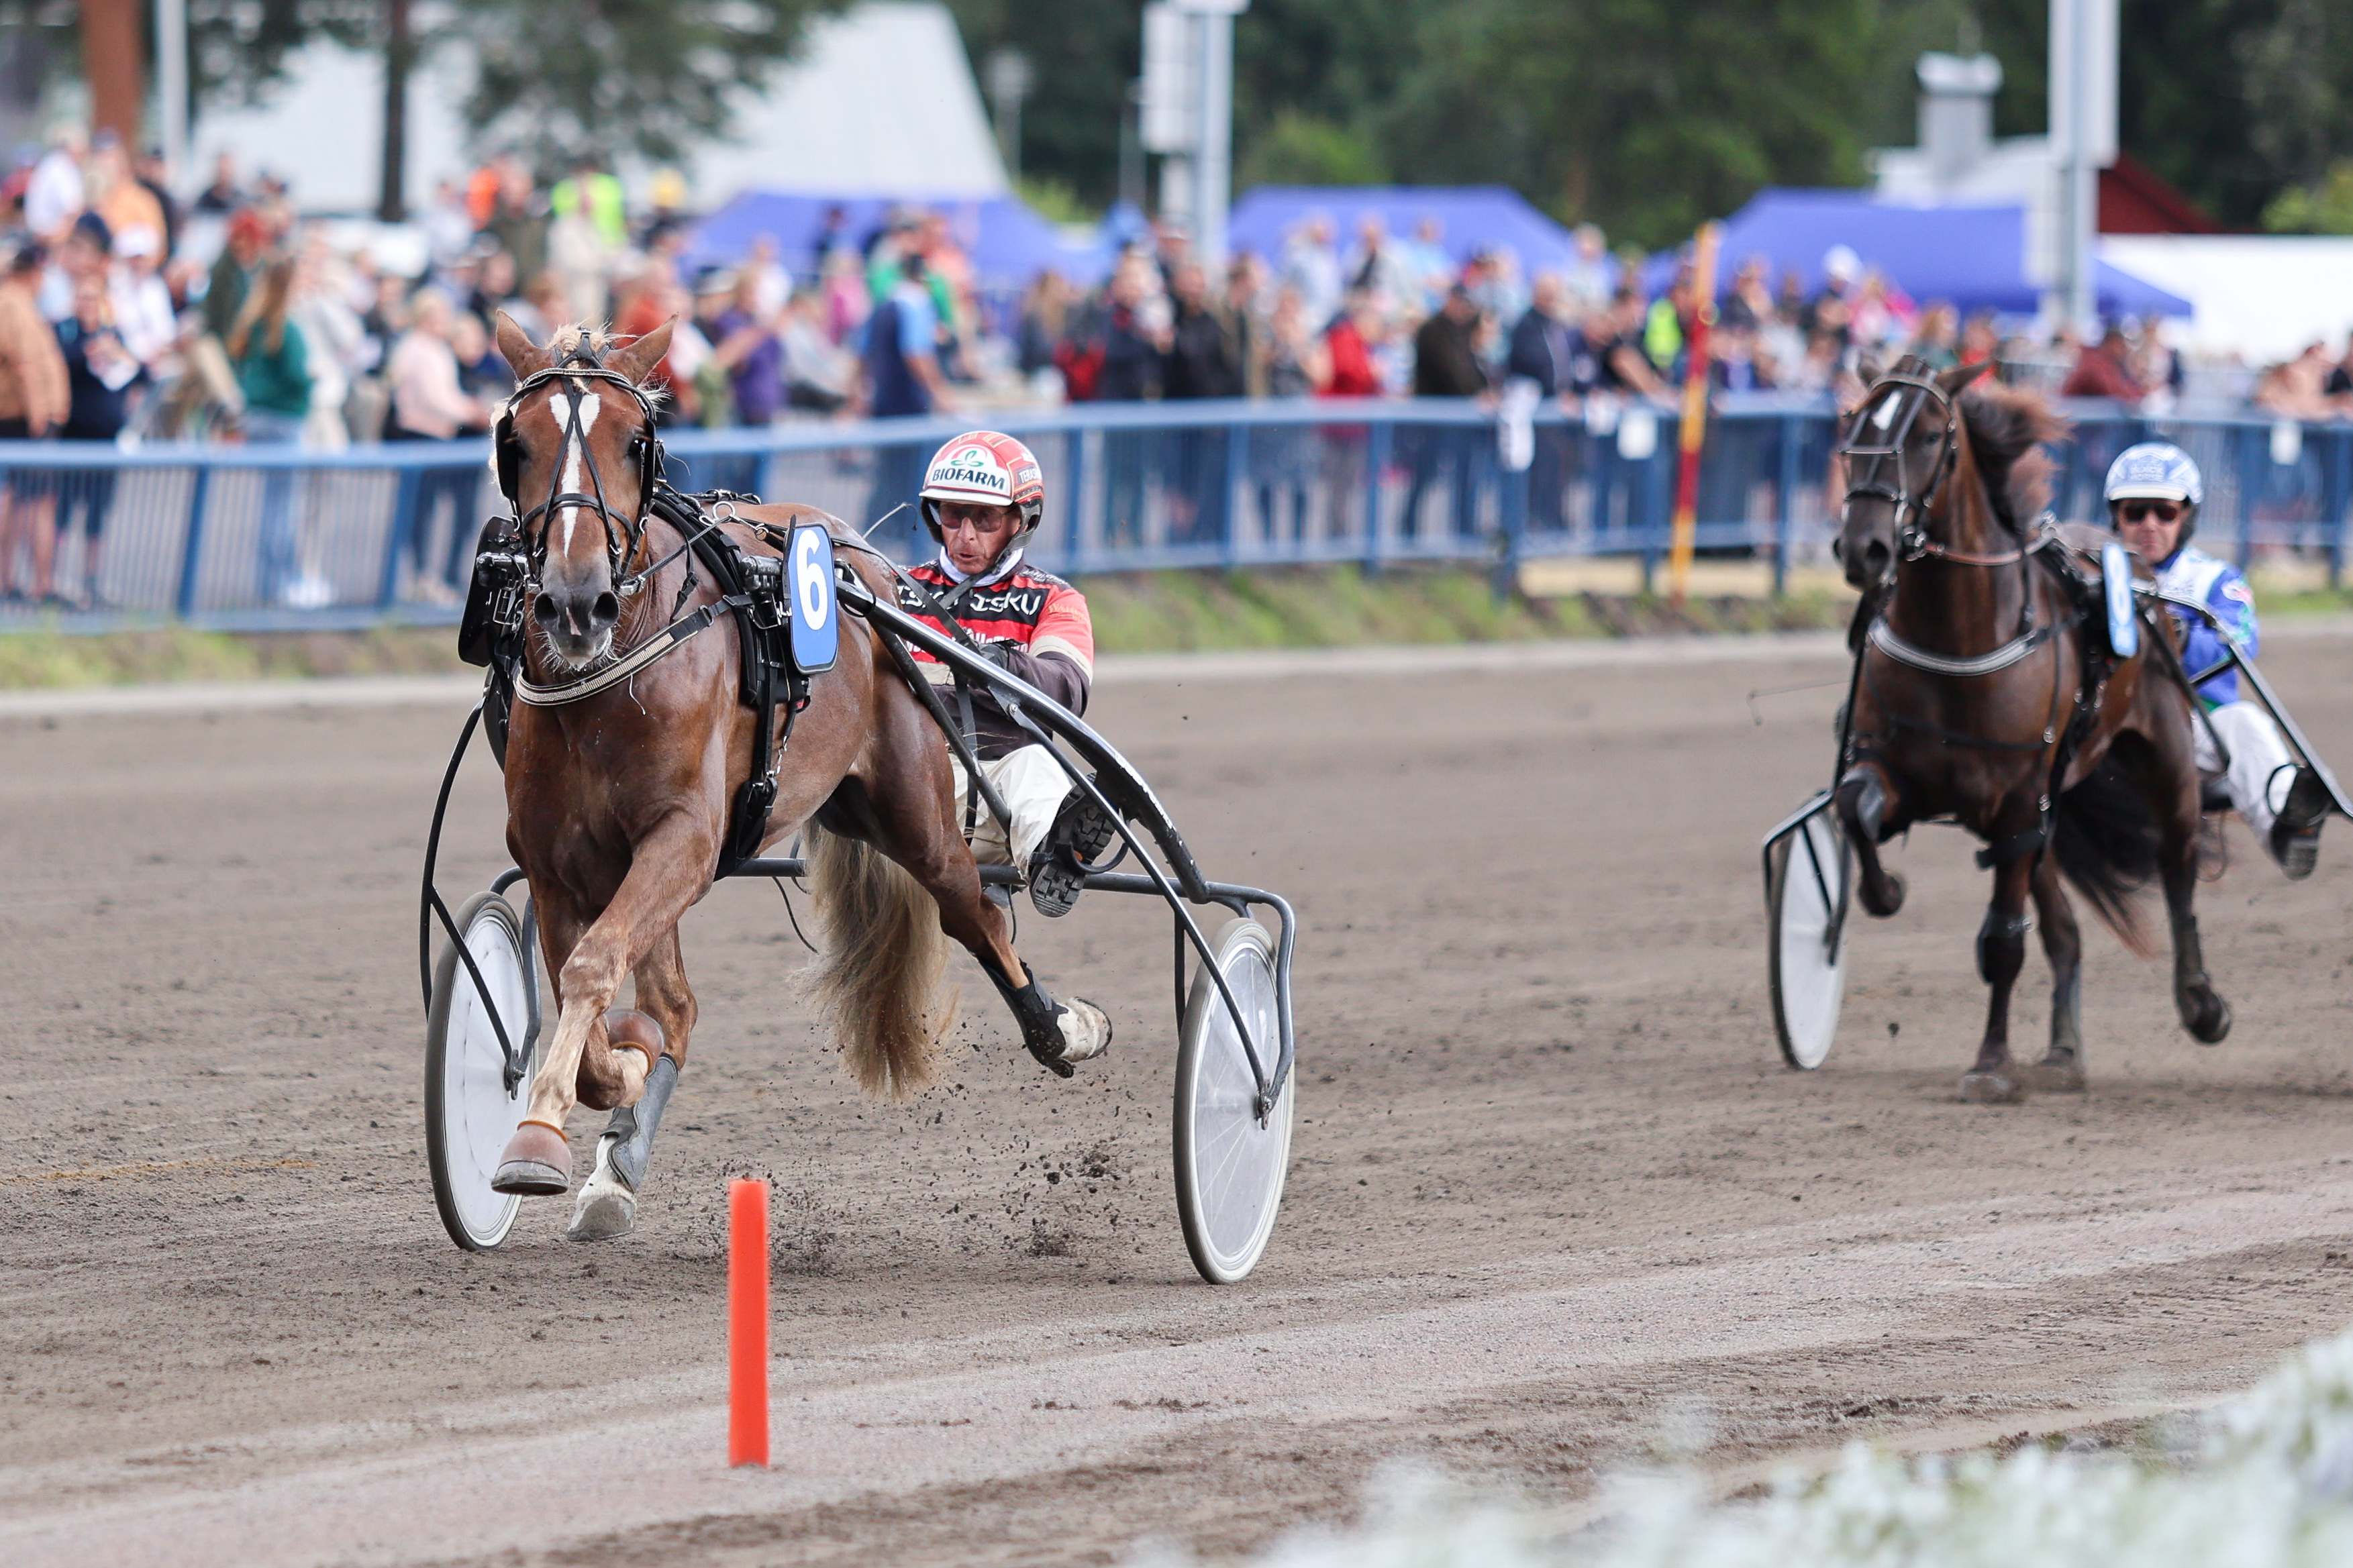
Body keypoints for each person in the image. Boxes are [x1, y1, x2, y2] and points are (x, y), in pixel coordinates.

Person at [894, 431, 1114, 933]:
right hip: (906, 779)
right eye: (953, 515)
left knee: (1038, 763)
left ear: (1021, 520)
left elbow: (1065, 690)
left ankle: (1054, 851)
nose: (966, 535)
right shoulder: (894, 590)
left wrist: (1000, 665)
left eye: (985, 519)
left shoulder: (1054, 601)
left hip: (997, 786)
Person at [2106, 442, 2329, 878]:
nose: (2149, 525)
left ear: (2187, 515)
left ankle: (2288, 825)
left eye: (2164, 513)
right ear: (2115, 516)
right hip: (2108, 732)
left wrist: (2173, 633)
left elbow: (2240, 641)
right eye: (2135, 512)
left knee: (2246, 722)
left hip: (2192, 730)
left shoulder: (2214, 579)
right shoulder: (2094, 575)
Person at [227, 258, 311, 607]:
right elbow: (296, 375)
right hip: (283, 421)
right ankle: (279, 584)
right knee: (282, 508)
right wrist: (313, 377)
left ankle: (270, 583)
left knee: (272, 506)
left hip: (258, 417)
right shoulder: (286, 329)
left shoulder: (256, 321)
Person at [52, 272, 137, 606]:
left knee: (97, 515)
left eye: (93, 298)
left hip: (107, 442)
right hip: (73, 440)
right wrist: (88, 351)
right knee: (63, 511)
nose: (87, 304)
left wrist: (115, 352)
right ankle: (53, 578)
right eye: (82, 297)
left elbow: (140, 372)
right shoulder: (65, 332)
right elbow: (60, 363)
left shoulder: (114, 334)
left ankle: (91, 580)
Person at [0, 244, 68, 603]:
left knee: (22, 499)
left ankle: (16, 580)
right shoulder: (12, 303)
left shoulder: (22, 304)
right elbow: (23, 363)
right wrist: (40, 417)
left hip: (28, 419)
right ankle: (29, 584)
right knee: (27, 500)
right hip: (24, 421)